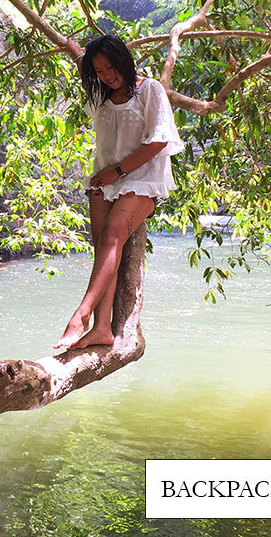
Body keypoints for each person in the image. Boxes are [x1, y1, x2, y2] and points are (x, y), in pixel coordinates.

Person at [55, 34, 184, 350]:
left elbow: (158, 141)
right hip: (104, 181)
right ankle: (102, 328)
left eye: (110, 66)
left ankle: (80, 316)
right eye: (99, 70)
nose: (106, 75)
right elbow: (81, 60)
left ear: (123, 60)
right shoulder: (100, 96)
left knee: (113, 236)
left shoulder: (148, 90)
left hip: (139, 180)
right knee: (103, 248)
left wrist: (118, 171)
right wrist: (76, 50)